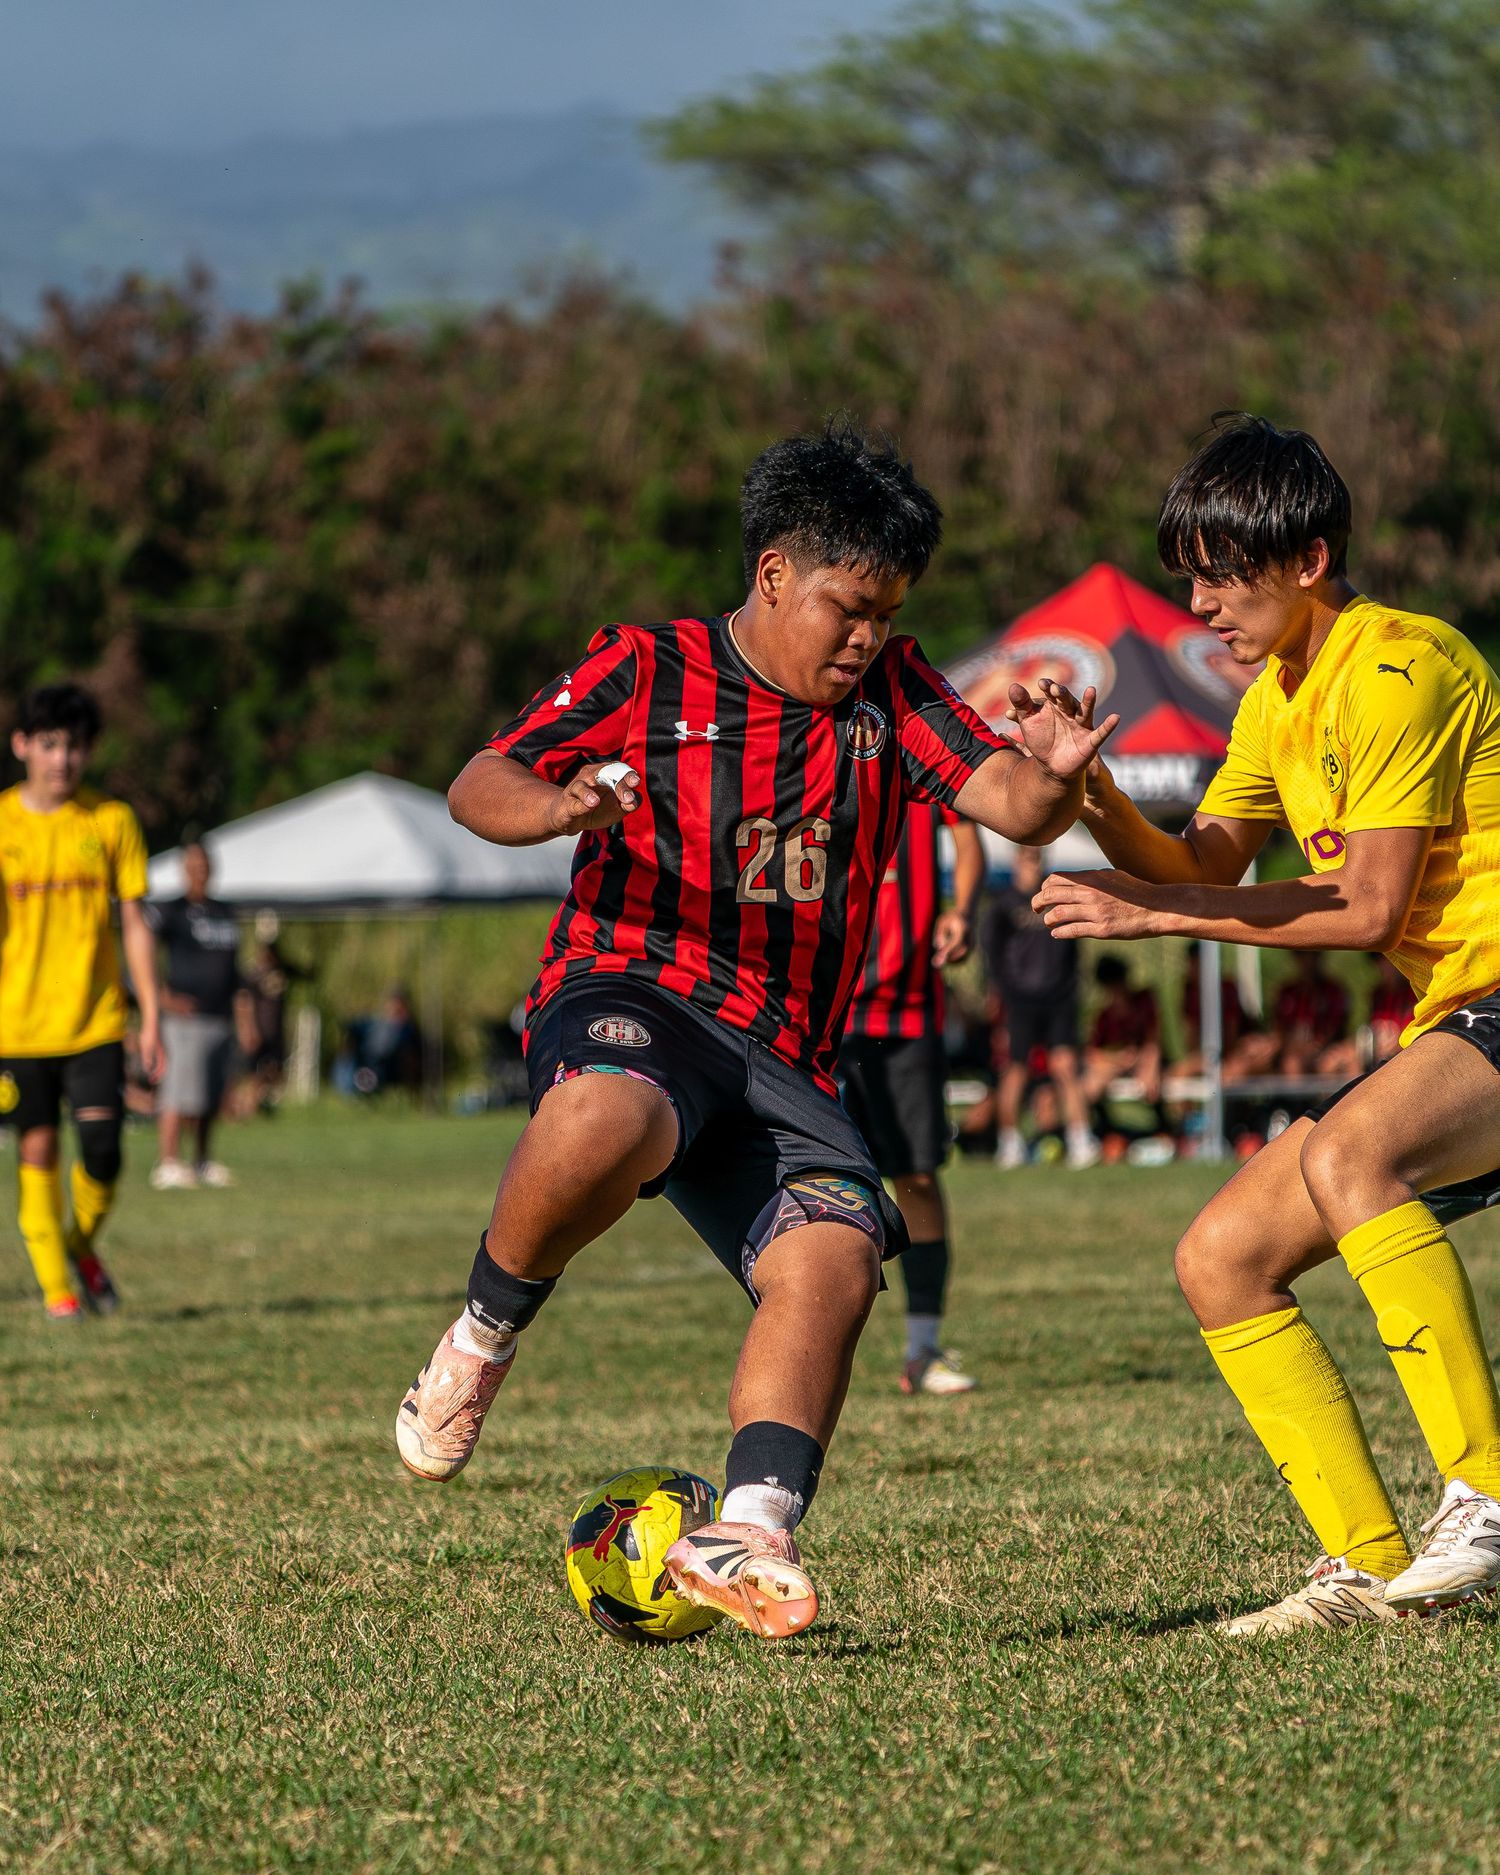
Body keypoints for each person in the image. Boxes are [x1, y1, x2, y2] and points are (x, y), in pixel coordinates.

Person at [395, 419, 1114, 1639]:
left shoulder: (895, 691)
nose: (867, 636)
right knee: (608, 1113)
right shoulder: (645, 668)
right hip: (634, 987)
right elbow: (479, 782)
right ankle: (483, 1332)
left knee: (834, 1259)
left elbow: (1005, 795)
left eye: (887, 611)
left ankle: (750, 1529)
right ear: (773, 573)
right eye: (848, 606)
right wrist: (562, 805)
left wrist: (1054, 773)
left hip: (783, 1048)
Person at [1035, 413, 1500, 1632]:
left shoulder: (1402, 668)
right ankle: (1367, 1570)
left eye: (1223, 575)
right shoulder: (1274, 702)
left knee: (1353, 1152)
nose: (1201, 604)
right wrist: (1092, 798)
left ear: (1308, 559)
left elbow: (1365, 907)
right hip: (1464, 1015)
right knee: (1221, 1257)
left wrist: (1159, 915)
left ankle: (1488, 1494)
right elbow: (1205, 860)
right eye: (1189, 577)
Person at [0, 683, 163, 1317]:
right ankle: (59, 1294)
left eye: (73, 747)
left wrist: (148, 1015)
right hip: (16, 1027)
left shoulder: (111, 821)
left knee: (102, 1149)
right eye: (49, 745)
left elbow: (135, 924)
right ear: (22, 747)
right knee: (36, 1148)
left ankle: (77, 1244)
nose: (61, 760)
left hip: (95, 1020)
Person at [838, 804, 985, 1396]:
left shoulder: (918, 739)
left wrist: (962, 910)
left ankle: (922, 1349)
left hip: (907, 1013)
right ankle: (801, 1347)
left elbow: (969, 828)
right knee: (810, 1180)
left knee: (917, 1176)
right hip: (820, 1009)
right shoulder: (811, 739)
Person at [984, 846, 1098, 1168]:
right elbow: (991, 955)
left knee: (1065, 1066)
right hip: (1019, 999)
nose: (1032, 866)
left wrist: (1073, 988)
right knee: (1016, 1069)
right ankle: (1009, 1142)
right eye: (1027, 859)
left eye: (1037, 859)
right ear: (1017, 862)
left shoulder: (1058, 900)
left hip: (1059, 997)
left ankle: (1081, 1139)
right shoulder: (1003, 905)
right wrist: (998, 995)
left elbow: (1074, 948)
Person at [148, 841, 248, 1189]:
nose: (200, 872)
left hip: (219, 1015)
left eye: (204, 865)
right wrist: (161, 997)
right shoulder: (171, 911)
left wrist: (243, 1016)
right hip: (184, 1020)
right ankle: (169, 1162)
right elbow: (141, 953)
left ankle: (201, 1161)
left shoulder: (225, 912)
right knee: (178, 1092)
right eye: (193, 866)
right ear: (183, 870)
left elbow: (235, 970)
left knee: (209, 1094)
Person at [1081, 954, 1162, 1108]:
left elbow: (1153, 1039)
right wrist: (1118, 1058)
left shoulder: (1144, 1001)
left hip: (1143, 1058)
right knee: (1092, 1084)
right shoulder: (1104, 1017)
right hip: (1116, 1064)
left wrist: (1140, 1059)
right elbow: (1092, 1053)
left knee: (1151, 1055)